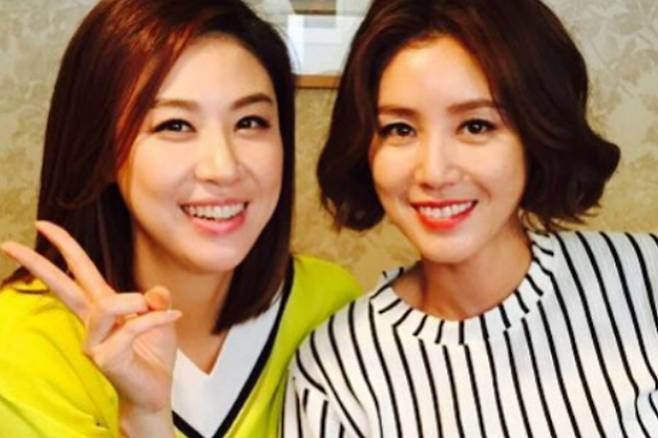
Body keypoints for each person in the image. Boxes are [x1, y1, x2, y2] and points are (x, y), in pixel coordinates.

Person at [282, 0, 658, 436]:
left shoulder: (645, 277)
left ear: (534, 134)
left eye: (476, 126)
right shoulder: (335, 377)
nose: (434, 173)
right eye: (400, 129)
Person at [0, 0, 361, 436]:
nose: (223, 167)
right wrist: (144, 417)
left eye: (250, 122)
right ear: (103, 152)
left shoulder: (329, 305)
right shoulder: (21, 341)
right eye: (175, 125)